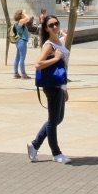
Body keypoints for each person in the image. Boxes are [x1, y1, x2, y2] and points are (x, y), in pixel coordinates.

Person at [28, 15, 71, 164]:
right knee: (53, 121)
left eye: (56, 24)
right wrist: (55, 58)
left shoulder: (59, 41)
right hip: (51, 85)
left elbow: (64, 60)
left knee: (58, 119)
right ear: (46, 28)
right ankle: (56, 153)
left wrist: (65, 88)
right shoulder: (48, 45)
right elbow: (38, 64)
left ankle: (35, 144)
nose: (55, 27)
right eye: (51, 25)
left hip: (59, 84)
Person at [12, 9, 32, 79]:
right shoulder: (20, 21)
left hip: (18, 41)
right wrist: (24, 13)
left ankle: (16, 73)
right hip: (22, 41)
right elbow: (28, 18)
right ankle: (23, 74)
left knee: (17, 57)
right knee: (22, 58)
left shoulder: (18, 23)